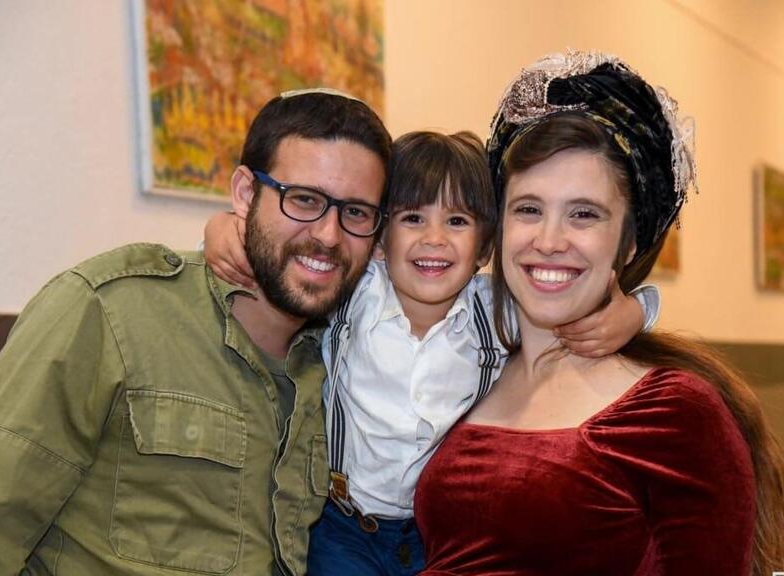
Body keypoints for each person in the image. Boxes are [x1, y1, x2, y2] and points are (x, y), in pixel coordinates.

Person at [0, 89, 392, 576]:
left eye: (355, 213)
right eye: (302, 199)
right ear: (245, 193)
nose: (328, 235)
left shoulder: (345, 362)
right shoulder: (108, 310)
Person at [203, 130, 661, 575]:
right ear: (380, 239)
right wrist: (224, 226)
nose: (435, 239)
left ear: (485, 246)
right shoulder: (354, 294)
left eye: (457, 221)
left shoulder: (496, 310)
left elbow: (566, 302)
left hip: (433, 532)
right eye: (412, 218)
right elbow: (292, 263)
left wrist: (632, 314)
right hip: (341, 525)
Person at [414, 51, 784, 575]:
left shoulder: (672, 412)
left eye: (584, 214)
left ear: (628, 240)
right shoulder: (468, 368)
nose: (548, 241)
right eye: (528, 209)